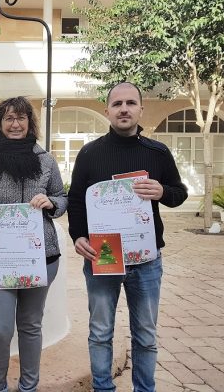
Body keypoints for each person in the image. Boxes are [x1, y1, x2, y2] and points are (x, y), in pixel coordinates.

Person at [67, 81, 188, 392]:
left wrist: (162, 191)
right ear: (107, 110)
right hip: (103, 253)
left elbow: (178, 193)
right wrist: (78, 236)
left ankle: (144, 389)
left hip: (146, 258)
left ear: (140, 109)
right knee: (100, 331)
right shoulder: (90, 153)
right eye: (117, 104)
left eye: (130, 103)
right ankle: (103, 388)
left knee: (145, 334)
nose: (124, 109)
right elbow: (77, 199)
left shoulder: (157, 152)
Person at [0, 96, 68, 392]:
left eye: (21, 118)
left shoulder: (45, 159)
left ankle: (28, 387)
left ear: (29, 123)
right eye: (9, 118)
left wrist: (51, 202)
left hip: (42, 258)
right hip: (0, 261)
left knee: (31, 326)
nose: (15, 124)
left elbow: (62, 198)